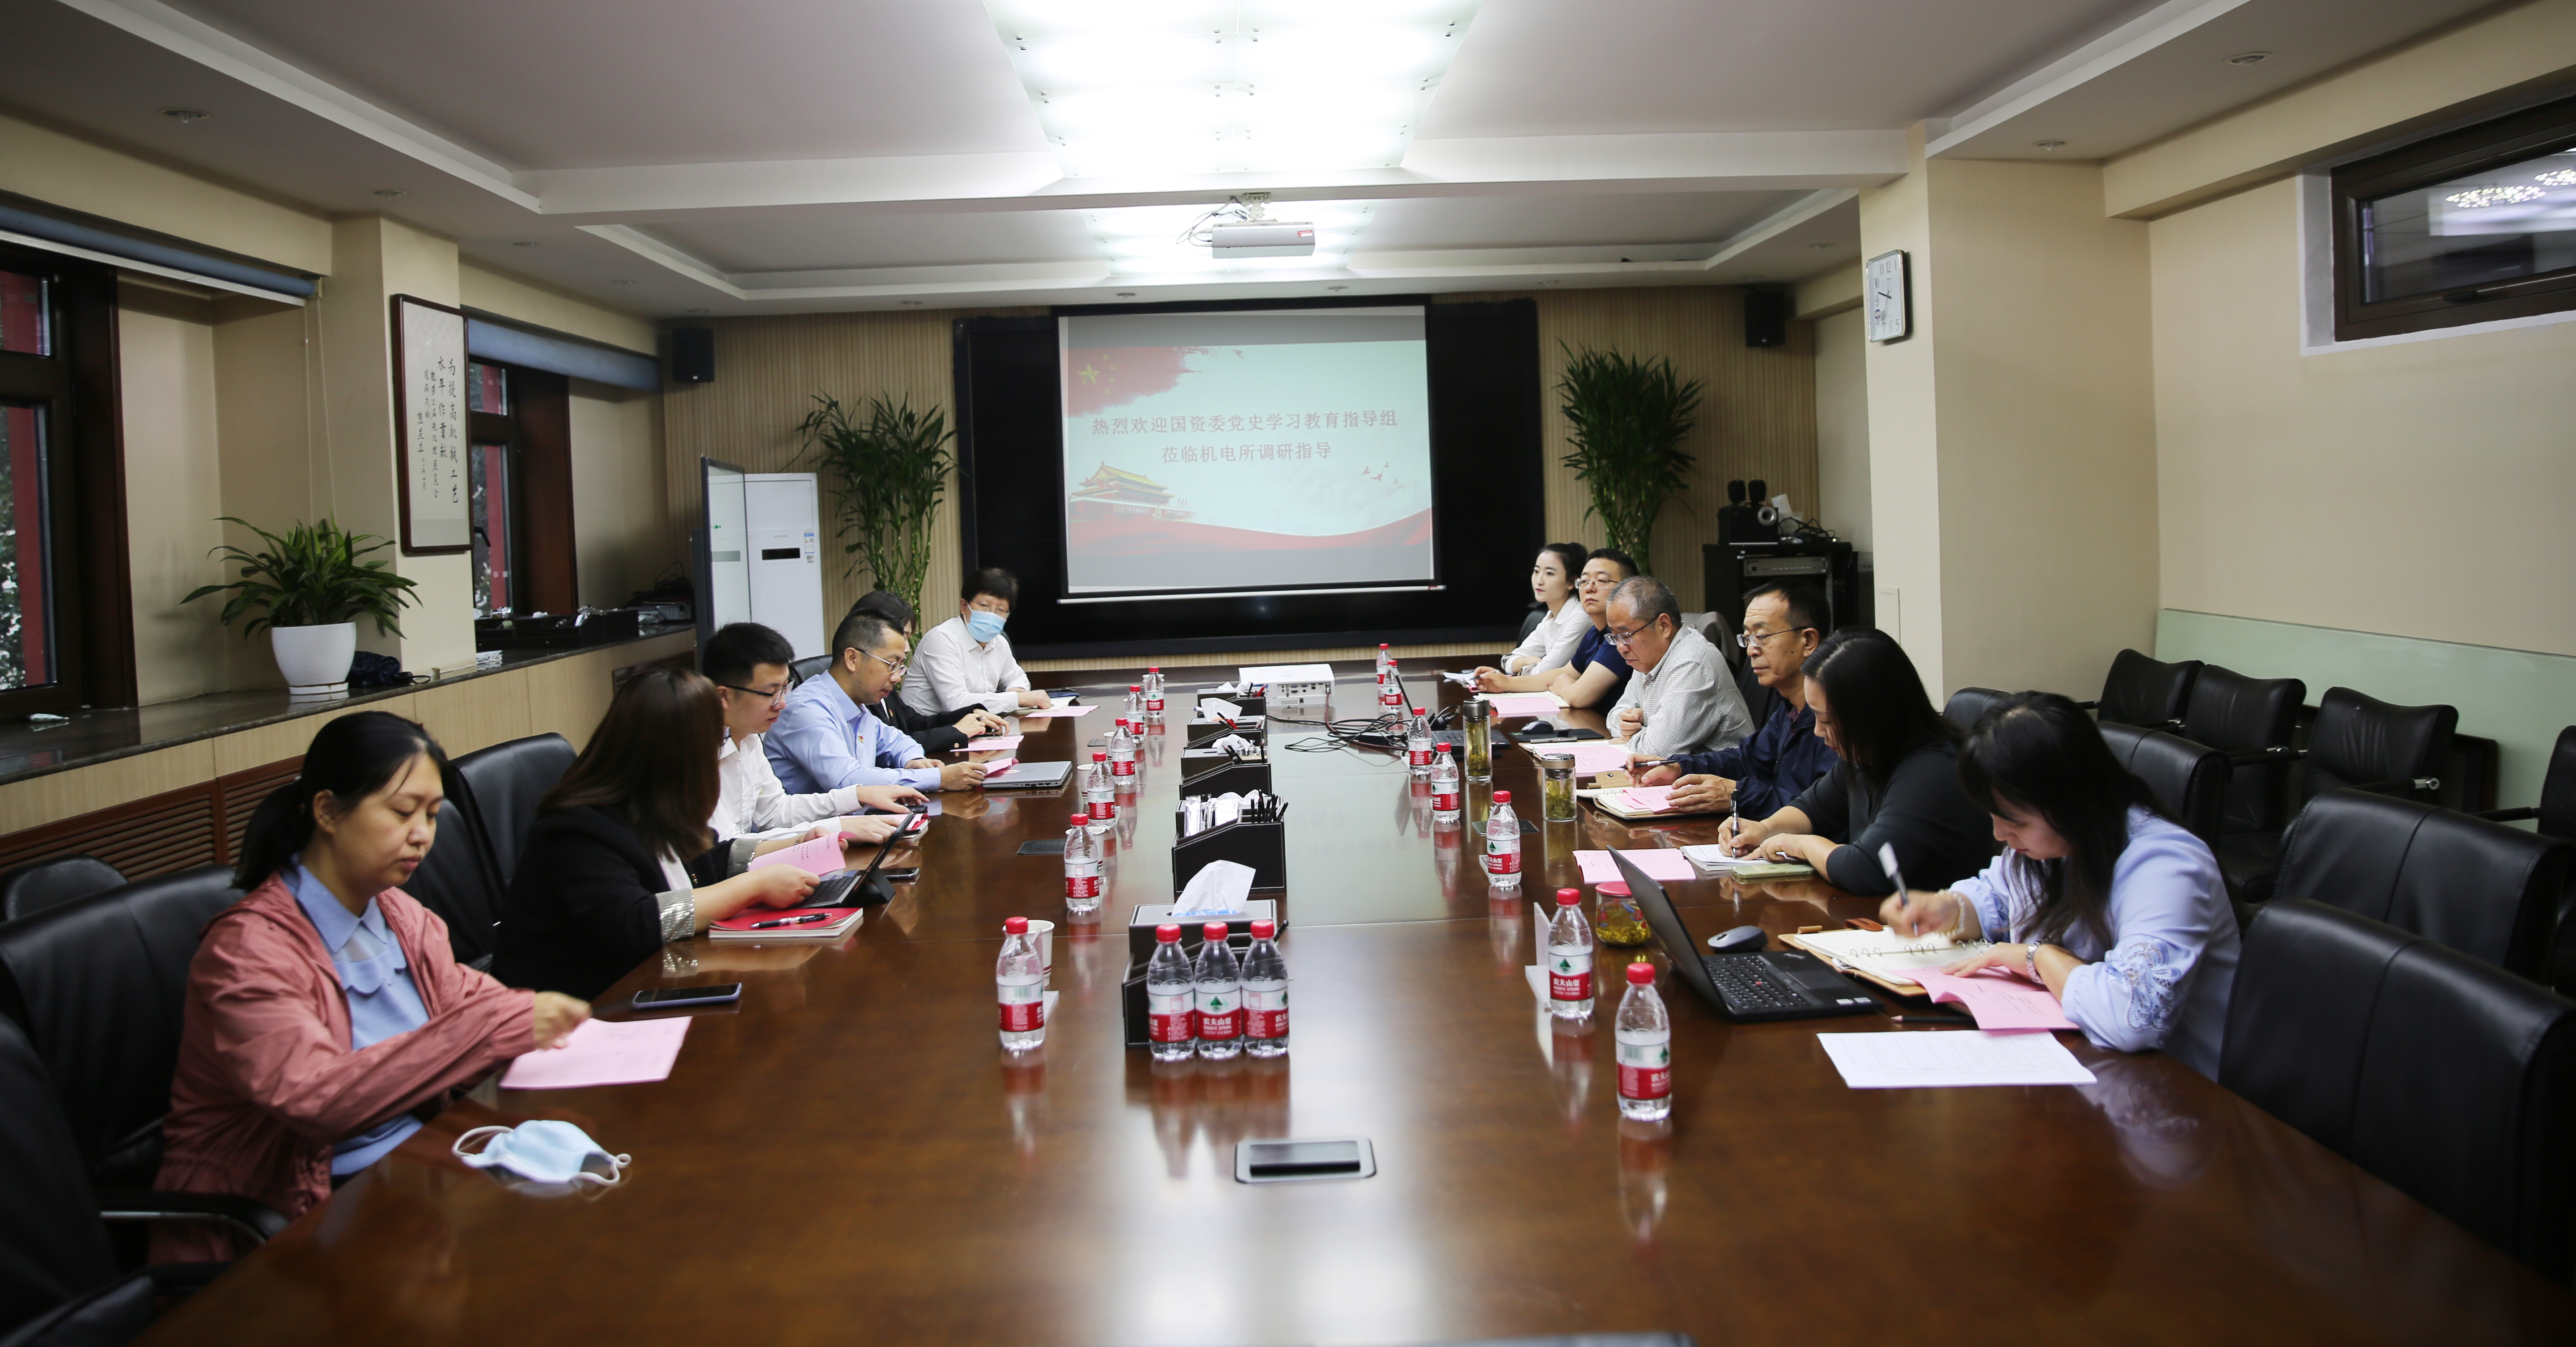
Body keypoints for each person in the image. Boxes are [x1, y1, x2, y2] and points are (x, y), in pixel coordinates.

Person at [155, 712, 591, 1259]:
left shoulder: (401, 915)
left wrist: (555, 1024)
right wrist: (492, 1027)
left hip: (413, 1172)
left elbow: (470, 1002)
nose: (422, 835)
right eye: (403, 812)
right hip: (293, 1216)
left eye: (432, 815)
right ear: (327, 811)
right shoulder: (249, 951)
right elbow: (317, 1098)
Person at [1881, 692, 2240, 1077]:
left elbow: (2132, 1017)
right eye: (1992, 815)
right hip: (2073, 1060)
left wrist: (2038, 958)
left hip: (2173, 1086)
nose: (2000, 834)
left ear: (2073, 800)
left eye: (2015, 821)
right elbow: (2000, 898)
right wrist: (1948, 909)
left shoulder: (2165, 867)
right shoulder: (2055, 844)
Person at [495, 669, 834, 999]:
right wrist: (754, 886)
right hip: (585, 1008)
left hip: (661, 979)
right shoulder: (578, 830)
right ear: (675, 754)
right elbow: (638, 922)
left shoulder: (654, 804)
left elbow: (711, 858)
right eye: (712, 743)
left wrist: (796, 846)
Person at [1718, 628, 1993, 894]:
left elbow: (1866, 869)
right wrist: (1764, 829)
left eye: (1828, 721)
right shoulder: (1868, 755)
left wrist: (1801, 845)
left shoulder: (1933, 772)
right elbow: (1813, 808)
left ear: (1874, 715)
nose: (1818, 732)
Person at [702, 620, 926, 840]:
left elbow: (776, 812)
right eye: (771, 693)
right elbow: (727, 849)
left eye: (784, 689)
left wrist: (858, 796)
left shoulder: (750, 739)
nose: (782, 703)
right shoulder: (698, 755)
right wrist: (838, 828)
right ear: (724, 696)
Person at [1638, 581, 1837, 816]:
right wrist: (1680, 767)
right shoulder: (1790, 708)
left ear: (1808, 641)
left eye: (1762, 636)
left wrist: (1737, 795)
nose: (1751, 650)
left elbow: (1825, 811)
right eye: (1748, 638)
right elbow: (1747, 760)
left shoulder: (1835, 719)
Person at [768, 610, 989, 794]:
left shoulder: (857, 707)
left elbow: (897, 740)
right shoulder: (807, 709)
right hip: (811, 830)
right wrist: (938, 778)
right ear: (852, 659)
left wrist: (913, 760)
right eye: (891, 664)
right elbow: (849, 781)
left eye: (900, 667)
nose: (897, 677)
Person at [1603, 574, 1752, 759]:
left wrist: (1629, 738)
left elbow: (1657, 753)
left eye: (1626, 636)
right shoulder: (1647, 657)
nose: (1621, 648)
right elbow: (1614, 716)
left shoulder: (1692, 664)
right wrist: (1625, 724)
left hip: (1721, 775)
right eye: (1615, 637)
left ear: (1664, 626)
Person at [1471, 548, 1638, 710]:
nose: (1589, 588)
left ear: (1628, 589)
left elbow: (1580, 696)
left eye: (1602, 581)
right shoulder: (1594, 633)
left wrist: (1566, 686)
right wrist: (1506, 683)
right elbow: (1564, 673)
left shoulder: (1623, 637)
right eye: (1585, 581)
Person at [846, 589, 1008, 754]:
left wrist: (970, 714)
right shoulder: (861, 692)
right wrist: (955, 732)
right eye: (902, 636)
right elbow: (889, 748)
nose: (907, 648)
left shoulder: (885, 681)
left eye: (907, 638)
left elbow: (917, 724)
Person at [904, 568, 1048, 717]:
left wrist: (1017, 692)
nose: (992, 615)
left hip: (972, 725)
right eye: (984, 606)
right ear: (964, 606)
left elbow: (1018, 678)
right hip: (925, 727)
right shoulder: (942, 639)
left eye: (1000, 610)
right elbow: (957, 704)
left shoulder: (999, 642)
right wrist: (1017, 699)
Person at [1501, 542, 1590, 676]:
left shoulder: (1580, 617)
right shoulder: (1550, 617)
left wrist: (1524, 667)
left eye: (1549, 573)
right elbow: (1508, 661)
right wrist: (1527, 661)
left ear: (1572, 582)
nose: (1539, 581)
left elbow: (1546, 672)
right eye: (1537, 571)